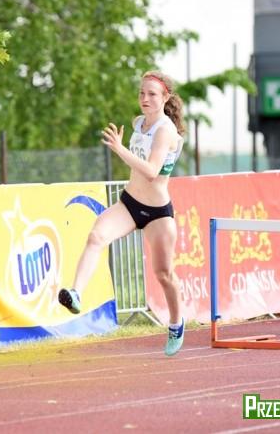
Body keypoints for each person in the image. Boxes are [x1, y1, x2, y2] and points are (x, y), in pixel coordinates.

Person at [58, 70, 186, 356]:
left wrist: (118, 148)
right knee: (96, 236)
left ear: (165, 98)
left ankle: (176, 323)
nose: (144, 98)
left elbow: (151, 171)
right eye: (141, 93)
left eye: (152, 94)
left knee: (164, 274)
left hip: (157, 213)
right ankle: (76, 293)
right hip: (129, 204)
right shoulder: (138, 123)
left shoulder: (165, 131)